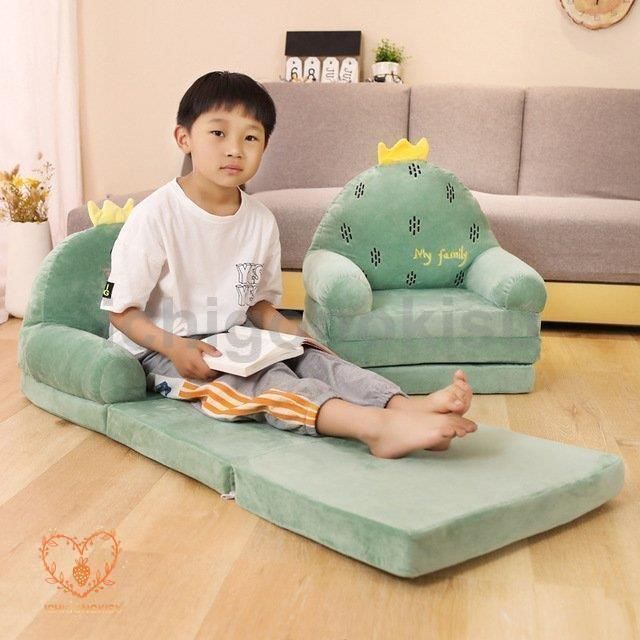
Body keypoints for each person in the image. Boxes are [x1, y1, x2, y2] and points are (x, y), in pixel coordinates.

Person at [100, 71, 477, 459]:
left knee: (313, 359)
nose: (234, 149)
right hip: (163, 352)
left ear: (265, 146)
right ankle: (374, 428)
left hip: (234, 338)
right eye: (218, 133)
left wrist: (297, 338)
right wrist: (176, 347)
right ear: (184, 139)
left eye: (250, 138)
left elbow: (257, 306)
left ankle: (403, 407)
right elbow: (119, 310)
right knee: (267, 381)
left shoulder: (261, 220)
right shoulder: (155, 215)